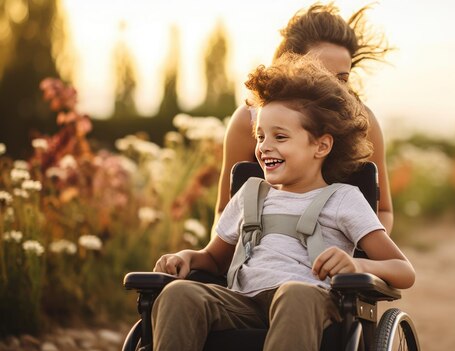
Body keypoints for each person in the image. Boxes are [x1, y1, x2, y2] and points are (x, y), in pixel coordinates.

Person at [151, 54, 415, 351]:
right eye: (260, 136)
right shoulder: (249, 195)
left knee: (295, 294)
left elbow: (403, 271)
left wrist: (356, 264)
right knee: (179, 294)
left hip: (312, 303)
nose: (264, 147)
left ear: (321, 145)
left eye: (280, 136)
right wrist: (188, 257)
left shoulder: (343, 199)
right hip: (243, 304)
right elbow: (213, 259)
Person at [205, 2, 395, 234]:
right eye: (321, 74)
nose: (334, 87)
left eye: (342, 78)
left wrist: (359, 254)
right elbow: (225, 210)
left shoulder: (363, 123)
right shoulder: (248, 120)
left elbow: (382, 210)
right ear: (289, 69)